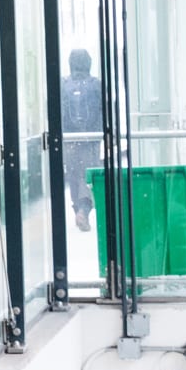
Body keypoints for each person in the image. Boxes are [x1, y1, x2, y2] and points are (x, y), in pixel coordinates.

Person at [61, 48, 104, 232]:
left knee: (74, 177)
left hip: (69, 141)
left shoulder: (63, 84)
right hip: (91, 140)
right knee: (86, 177)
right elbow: (105, 110)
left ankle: (78, 210)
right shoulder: (96, 84)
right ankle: (83, 211)